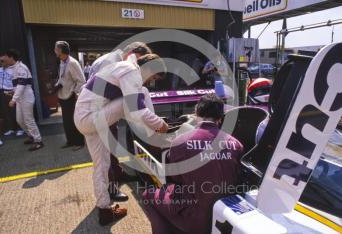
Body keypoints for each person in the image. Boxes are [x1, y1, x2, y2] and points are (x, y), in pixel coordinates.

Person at [74, 53, 169, 226]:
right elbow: (136, 110)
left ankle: (104, 210)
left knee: (101, 166)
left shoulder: (124, 68)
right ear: (149, 68)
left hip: (86, 117)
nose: (152, 81)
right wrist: (160, 124)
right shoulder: (130, 71)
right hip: (90, 117)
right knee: (139, 97)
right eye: (154, 76)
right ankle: (156, 138)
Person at [143, 94, 243, 234]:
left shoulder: (180, 142)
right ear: (220, 118)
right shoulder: (236, 144)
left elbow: (175, 180)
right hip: (224, 216)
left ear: (196, 113)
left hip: (195, 218)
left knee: (149, 195)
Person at [89, 42, 153, 202]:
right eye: (139, 60)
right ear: (132, 52)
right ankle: (111, 190)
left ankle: (118, 174)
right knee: (105, 156)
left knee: (112, 147)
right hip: (99, 113)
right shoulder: (110, 62)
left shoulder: (114, 60)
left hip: (105, 110)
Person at [5, 49, 44, 151]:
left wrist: (13, 99)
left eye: (6, 57)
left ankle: (38, 141)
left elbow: (22, 86)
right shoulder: (14, 68)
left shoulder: (21, 68)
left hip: (26, 97)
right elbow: (19, 86)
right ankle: (31, 136)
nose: (4, 60)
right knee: (20, 120)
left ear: (11, 57)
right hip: (20, 98)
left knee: (28, 120)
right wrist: (13, 93)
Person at [54, 41, 86, 151]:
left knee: (74, 120)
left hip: (71, 96)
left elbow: (82, 81)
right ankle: (70, 141)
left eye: (56, 49)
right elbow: (62, 77)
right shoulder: (62, 61)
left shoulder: (72, 63)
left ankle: (79, 142)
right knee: (66, 121)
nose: (54, 51)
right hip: (63, 95)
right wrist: (57, 85)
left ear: (61, 51)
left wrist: (74, 92)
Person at [0, 55, 23, 138]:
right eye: (0, 61)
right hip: (3, 93)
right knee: (7, 112)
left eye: (2, 61)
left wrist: (14, 91)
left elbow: (18, 81)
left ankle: (20, 129)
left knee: (15, 111)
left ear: (7, 61)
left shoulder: (13, 70)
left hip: (11, 93)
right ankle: (12, 129)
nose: (0, 63)